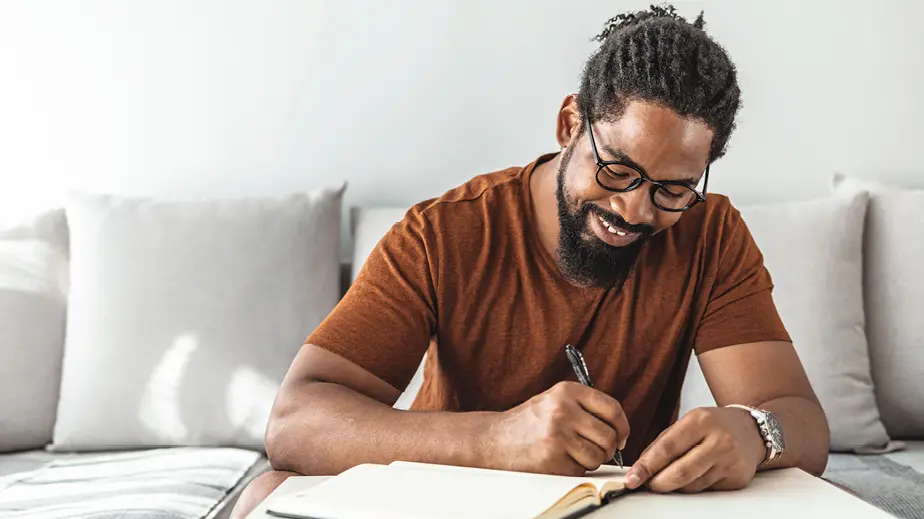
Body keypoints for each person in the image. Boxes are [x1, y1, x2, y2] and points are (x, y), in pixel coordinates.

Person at [231, 5, 829, 517]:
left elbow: (801, 419)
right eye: (616, 168)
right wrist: (497, 439)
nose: (634, 208)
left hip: (616, 506)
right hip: (446, 499)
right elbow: (296, 423)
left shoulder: (710, 234)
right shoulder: (444, 233)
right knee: (266, 492)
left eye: (671, 189)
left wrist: (757, 433)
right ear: (572, 124)